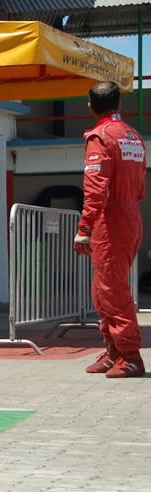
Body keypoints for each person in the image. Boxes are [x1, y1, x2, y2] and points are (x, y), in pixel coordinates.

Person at [75, 81, 146, 378]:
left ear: (91, 106)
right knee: (102, 289)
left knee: (112, 290)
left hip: (110, 218)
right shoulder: (133, 135)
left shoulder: (100, 137)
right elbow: (140, 186)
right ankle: (114, 351)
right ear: (119, 104)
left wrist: (85, 226)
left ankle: (130, 356)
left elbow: (95, 187)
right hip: (131, 215)